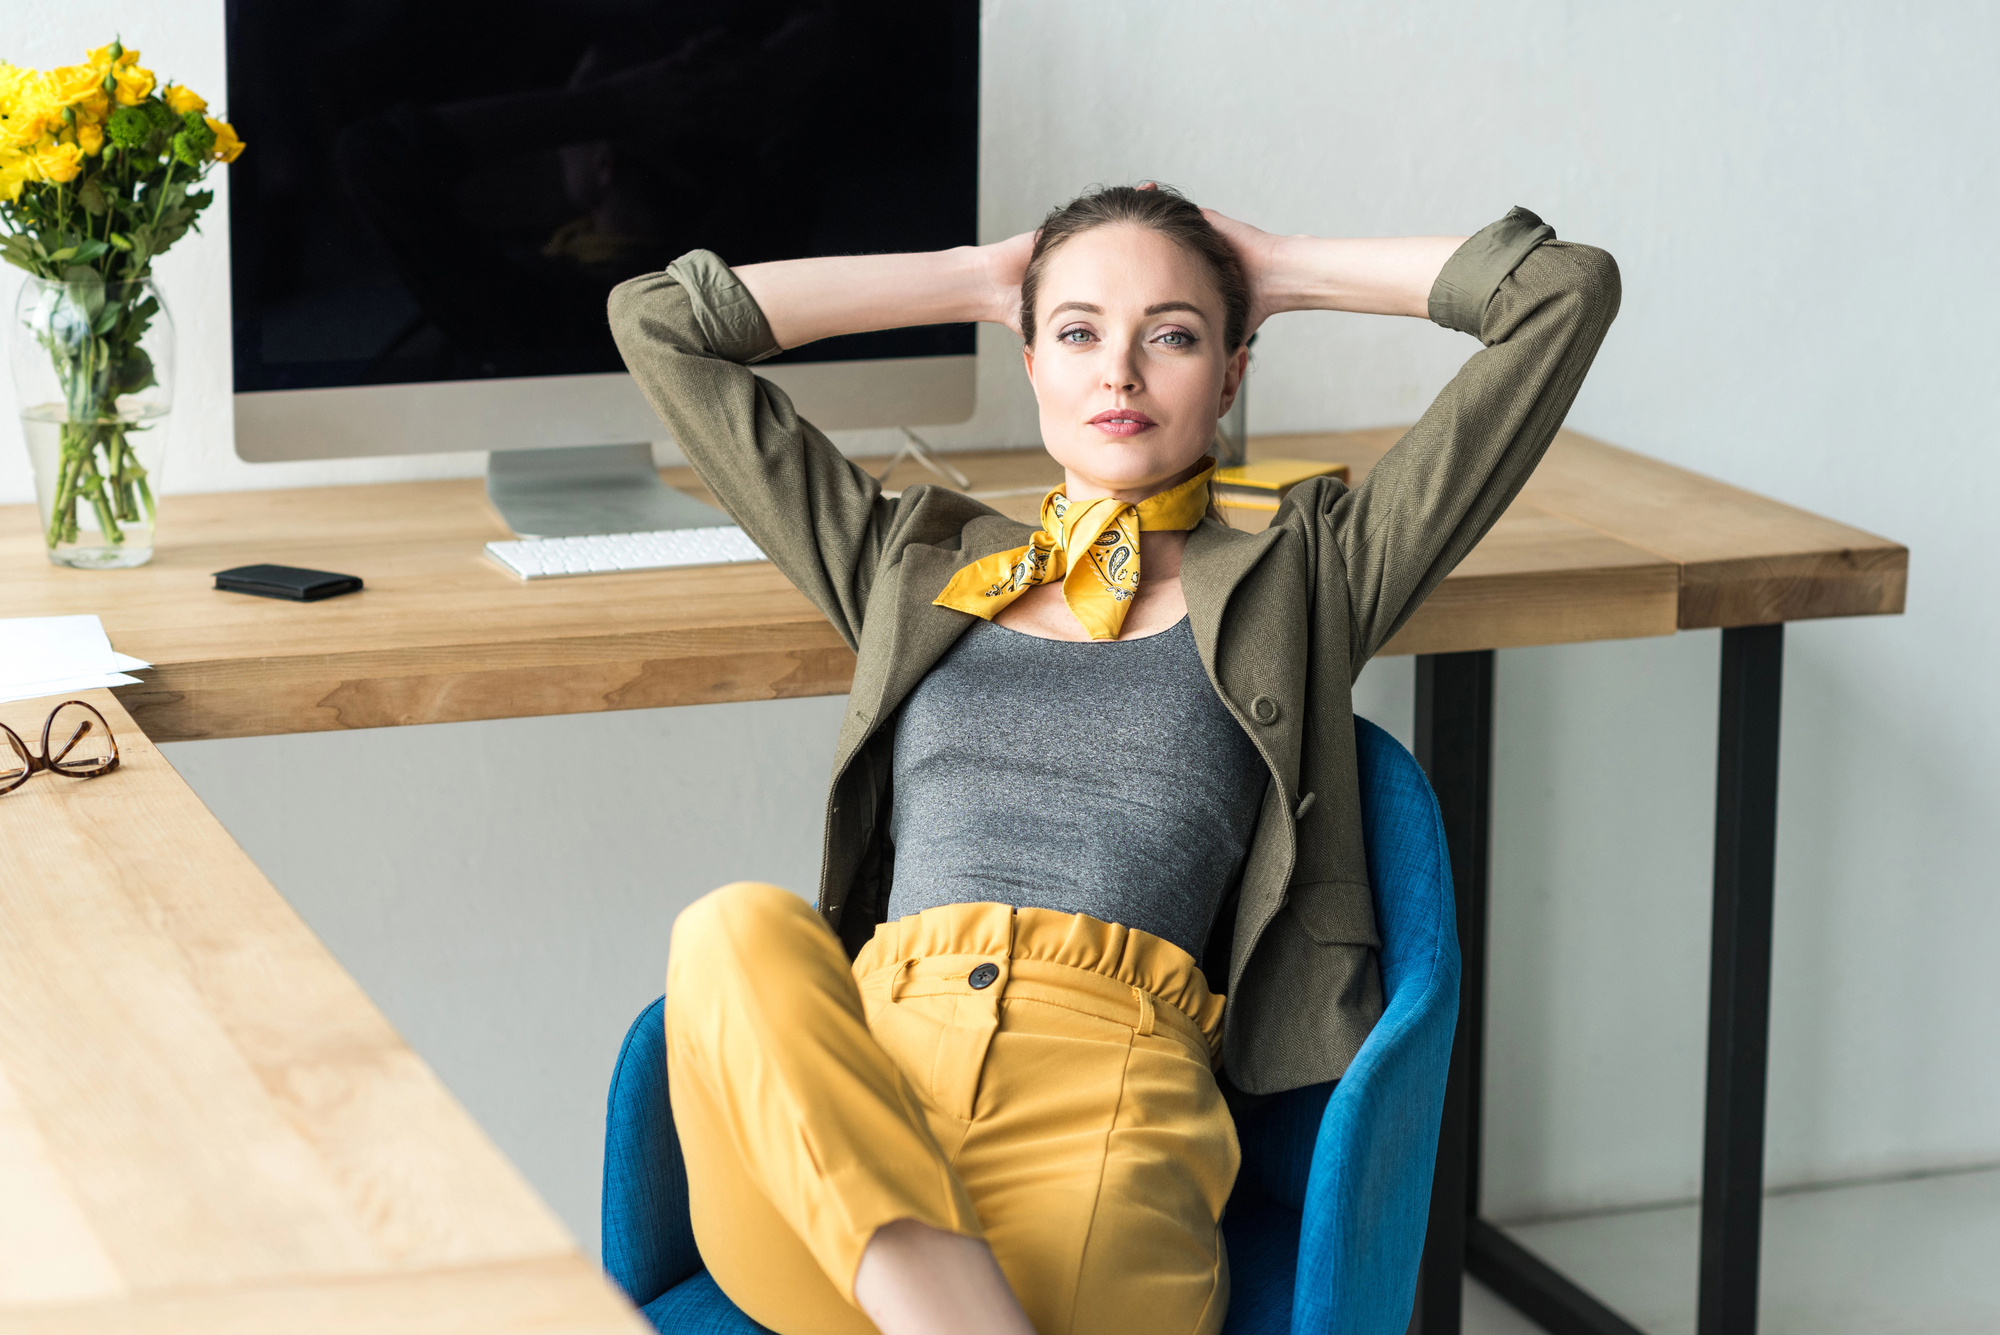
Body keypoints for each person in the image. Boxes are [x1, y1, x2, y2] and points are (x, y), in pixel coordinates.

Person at [607, 183, 1619, 1335]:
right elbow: (660, 325)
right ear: (1029, 358)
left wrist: (1275, 269)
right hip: (845, 1128)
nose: (1119, 373)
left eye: (1173, 335)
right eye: (1077, 331)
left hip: (1099, 1139)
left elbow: (1557, 291)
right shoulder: (910, 563)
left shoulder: (1303, 582)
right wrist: (978, 279)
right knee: (734, 929)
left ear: (1231, 372)